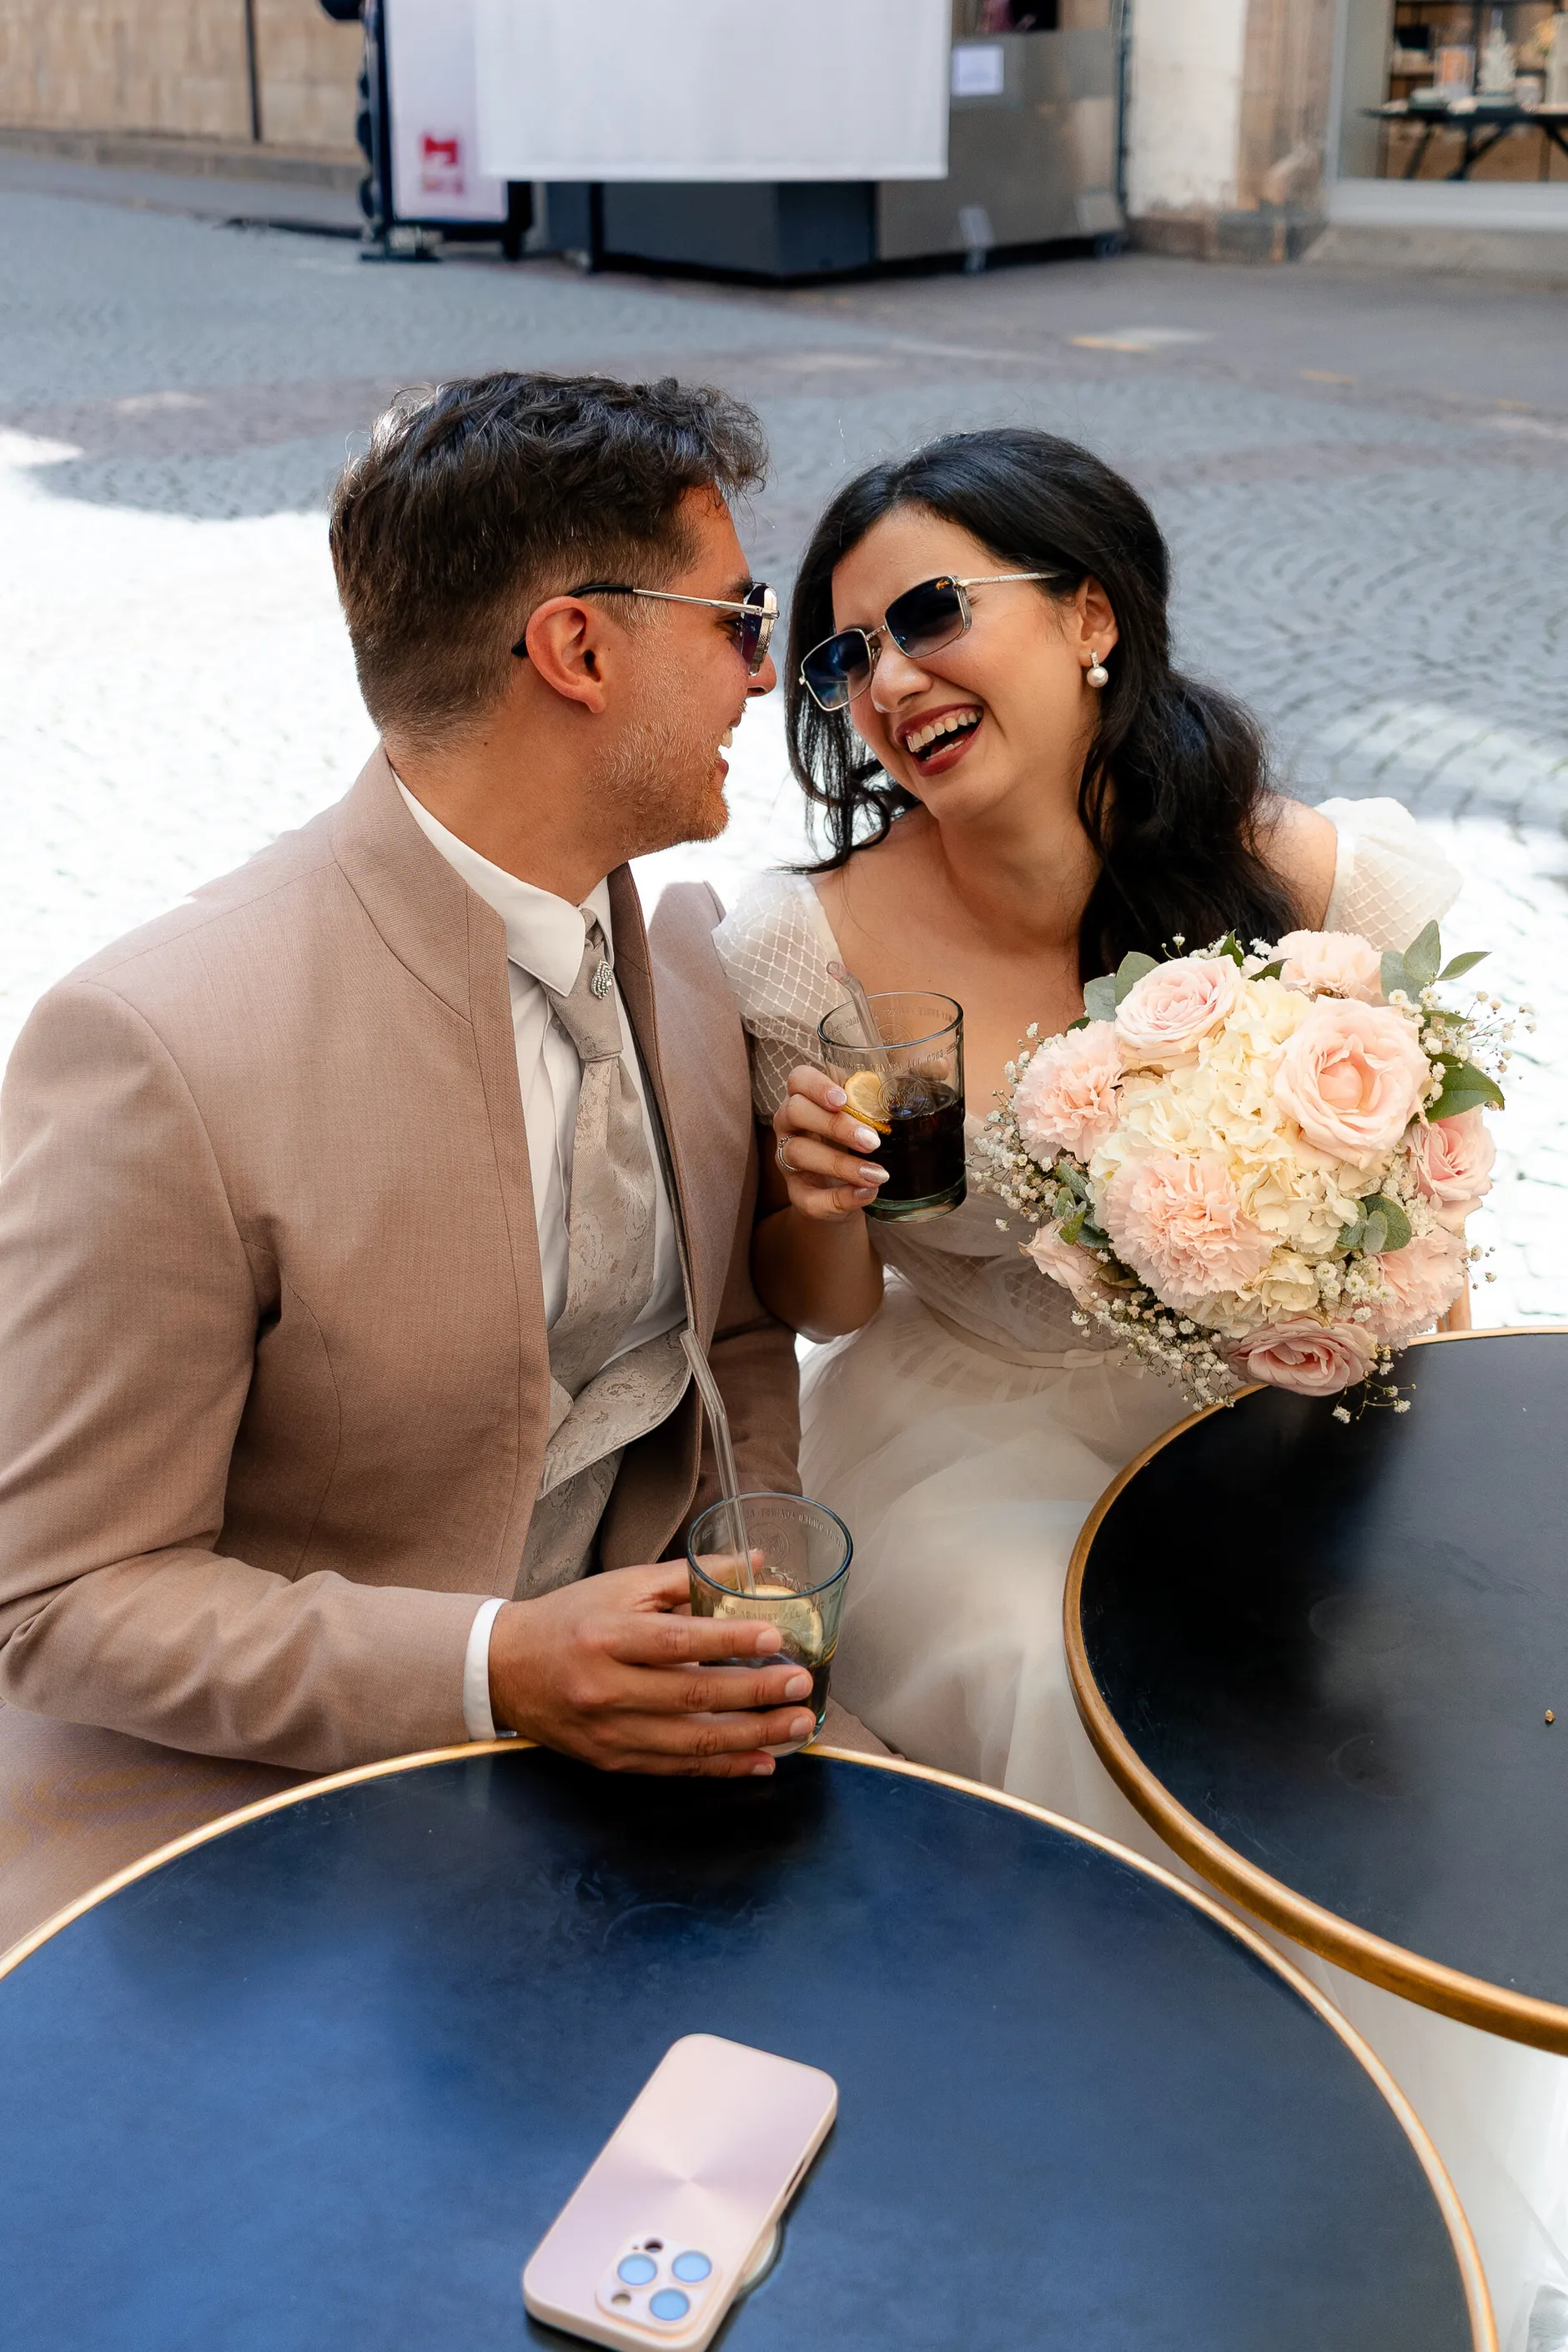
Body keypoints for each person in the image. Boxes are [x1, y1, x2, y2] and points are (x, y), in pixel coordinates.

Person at [0, 370, 875, 1957]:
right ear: (579, 649)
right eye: (738, 618)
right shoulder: (158, 1042)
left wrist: (744, 1572)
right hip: (288, 1822)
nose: (766, 678)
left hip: (679, 1745)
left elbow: (734, 1339)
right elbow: (59, 1601)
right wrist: (494, 1667)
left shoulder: (683, 951)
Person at [713, 426, 1462, 1810]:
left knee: (1396, 1666)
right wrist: (818, 1202)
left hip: (1276, 1405)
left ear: (1090, 616)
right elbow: (825, 1308)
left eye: (930, 615)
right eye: (845, 656)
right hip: (971, 1432)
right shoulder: (801, 948)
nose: (886, 680)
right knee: (1060, 1668)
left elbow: (1425, 1231)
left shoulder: (1320, 882)